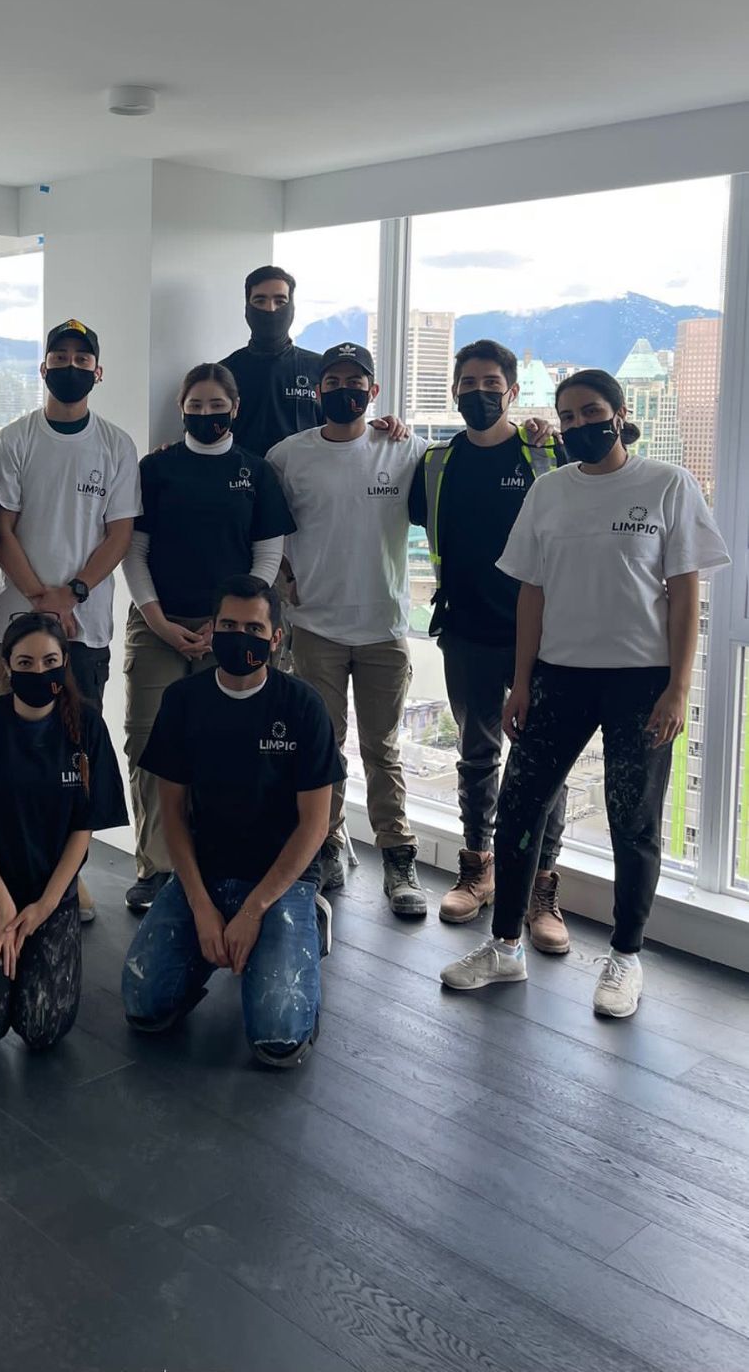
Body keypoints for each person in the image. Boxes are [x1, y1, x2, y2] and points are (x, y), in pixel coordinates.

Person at [442, 369, 730, 1019]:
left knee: (634, 822)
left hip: (641, 681)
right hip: (559, 676)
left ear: (620, 415)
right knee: (520, 808)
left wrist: (678, 688)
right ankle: (505, 946)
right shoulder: (549, 491)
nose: (578, 426)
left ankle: (626, 956)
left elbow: (686, 593)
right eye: (567, 417)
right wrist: (522, 682)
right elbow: (532, 592)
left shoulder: (668, 484)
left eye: (591, 412)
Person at [120, 575, 344, 1066]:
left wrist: (252, 911)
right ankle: (212, 949)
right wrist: (202, 907)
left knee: (278, 1035)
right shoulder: (184, 701)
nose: (240, 637)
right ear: (212, 628)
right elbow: (172, 813)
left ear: (275, 638)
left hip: (281, 882)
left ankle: (305, 924)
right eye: (229, 626)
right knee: (143, 1002)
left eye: (253, 628)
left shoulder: (303, 706)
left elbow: (314, 825)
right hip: (206, 873)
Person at [409, 340, 571, 946]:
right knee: (477, 755)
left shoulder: (544, 453)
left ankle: (540, 886)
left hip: (543, 637)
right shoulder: (437, 462)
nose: (479, 393)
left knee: (543, 762)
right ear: (454, 391)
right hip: (467, 631)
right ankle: (478, 868)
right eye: (469, 384)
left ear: (513, 391)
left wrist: (551, 434)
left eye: (491, 384)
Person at [121, 363, 294, 912]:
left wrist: (225, 624)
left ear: (235, 409)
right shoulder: (156, 469)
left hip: (233, 630)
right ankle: (156, 867)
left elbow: (268, 555)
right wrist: (158, 622)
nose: (206, 414)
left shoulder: (256, 472)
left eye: (217, 405)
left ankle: (217, 861)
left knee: (226, 743)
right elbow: (134, 552)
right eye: (195, 406)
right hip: (157, 624)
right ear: (182, 408)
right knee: (148, 742)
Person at [267, 342, 430, 917]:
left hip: (384, 625)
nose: (344, 390)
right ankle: (327, 844)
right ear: (317, 391)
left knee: (382, 749)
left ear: (373, 391)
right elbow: (266, 524)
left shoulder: (404, 447)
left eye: (355, 382)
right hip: (316, 625)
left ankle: (398, 857)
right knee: (323, 746)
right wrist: (281, 574)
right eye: (332, 382)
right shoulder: (289, 455)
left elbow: (459, 468)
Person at [0, 318, 140, 921]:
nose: (70, 366)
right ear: (43, 367)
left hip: (86, 630)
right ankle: (14, 873)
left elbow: (119, 534)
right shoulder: (15, 439)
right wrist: (39, 598)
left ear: (98, 373)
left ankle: (69, 878)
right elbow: (1, 528)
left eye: (82, 358)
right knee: (15, 756)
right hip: (18, 627)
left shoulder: (116, 445)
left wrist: (70, 595)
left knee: (76, 760)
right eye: (60, 356)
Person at [0, 612, 127, 1056]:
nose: (39, 672)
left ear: (65, 663)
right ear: (7, 666)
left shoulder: (87, 728)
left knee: (43, 1030)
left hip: (50, 897)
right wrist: (4, 906)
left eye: (49, 662)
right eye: (25, 663)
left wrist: (45, 906)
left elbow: (83, 829)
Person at [219, 266, 327, 459]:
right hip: (241, 476)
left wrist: (376, 430)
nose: (270, 309)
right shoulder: (224, 372)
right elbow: (205, 436)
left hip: (304, 476)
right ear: (247, 308)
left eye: (280, 301)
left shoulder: (320, 368)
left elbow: (343, 430)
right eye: (260, 300)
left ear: (292, 308)